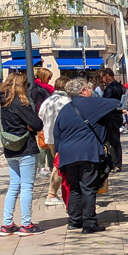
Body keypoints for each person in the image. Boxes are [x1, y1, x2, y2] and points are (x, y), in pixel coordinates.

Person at [54, 77, 122, 233]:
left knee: (74, 188)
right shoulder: (91, 103)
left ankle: (74, 220)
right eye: (89, 88)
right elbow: (115, 103)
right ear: (82, 90)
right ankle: (89, 223)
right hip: (87, 152)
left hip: (67, 154)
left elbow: (56, 133)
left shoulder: (65, 109)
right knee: (88, 188)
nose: (91, 90)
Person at [0, 73, 43, 236]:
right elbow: (37, 124)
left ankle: (7, 223)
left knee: (14, 185)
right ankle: (26, 224)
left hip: (10, 147)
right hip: (26, 148)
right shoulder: (21, 103)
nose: (27, 87)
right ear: (20, 85)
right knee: (27, 186)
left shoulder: (3, 103)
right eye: (26, 85)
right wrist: (30, 126)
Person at [38, 78, 71, 207]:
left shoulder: (47, 101)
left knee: (57, 164)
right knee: (59, 165)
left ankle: (56, 193)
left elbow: (40, 116)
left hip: (49, 136)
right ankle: (51, 194)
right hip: (63, 137)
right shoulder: (67, 102)